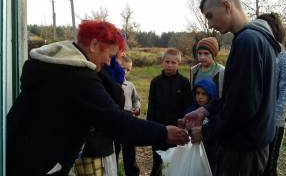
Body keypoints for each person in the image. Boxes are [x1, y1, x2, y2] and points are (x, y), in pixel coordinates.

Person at [6, 20, 189, 176]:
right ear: (94, 45)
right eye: (109, 55)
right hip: (39, 164)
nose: (110, 62)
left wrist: (96, 69)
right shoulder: (77, 78)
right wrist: (163, 132)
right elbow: (117, 123)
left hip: (20, 154)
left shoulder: (58, 66)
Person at [183, 0, 281, 176]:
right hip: (254, 146)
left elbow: (243, 108)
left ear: (227, 6)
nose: (209, 24)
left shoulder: (247, 41)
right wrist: (206, 109)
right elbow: (237, 97)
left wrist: (206, 131)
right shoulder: (258, 39)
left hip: (242, 151)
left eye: (210, 16)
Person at [257, 13, 286, 176]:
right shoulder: (263, 54)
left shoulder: (285, 58)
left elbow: (284, 96)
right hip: (258, 123)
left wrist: (270, 123)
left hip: (274, 124)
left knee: (269, 167)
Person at [146, 48, 193, 176]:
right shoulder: (155, 82)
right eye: (167, 62)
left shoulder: (184, 83)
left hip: (177, 130)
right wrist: (150, 128)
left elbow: (188, 106)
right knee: (157, 163)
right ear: (162, 62)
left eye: (173, 63)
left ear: (179, 64)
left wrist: (184, 127)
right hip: (159, 128)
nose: (170, 65)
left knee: (175, 162)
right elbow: (151, 106)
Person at [114, 55, 141, 176]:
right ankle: (113, 171)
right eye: (122, 68)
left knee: (130, 152)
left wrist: (137, 107)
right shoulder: (111, 84)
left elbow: (136, 99)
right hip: (115, 123)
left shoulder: (130, 85)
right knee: (114, 151)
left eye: (128, 69)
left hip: (129, 122)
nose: (125, 71)